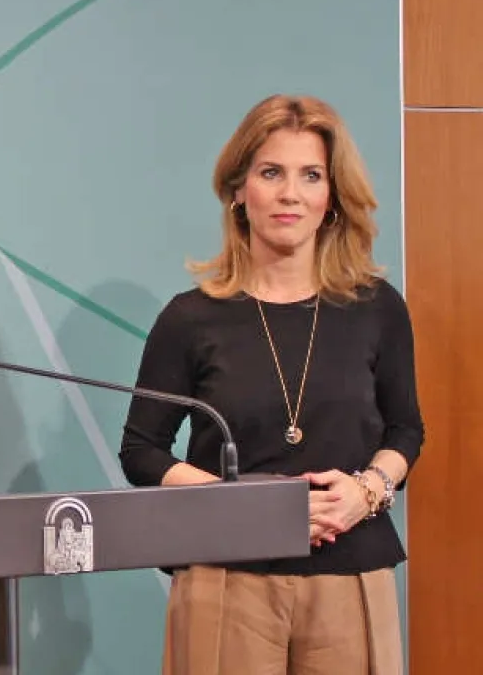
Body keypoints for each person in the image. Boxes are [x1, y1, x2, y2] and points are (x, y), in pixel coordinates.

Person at [118, 94, 424, 675]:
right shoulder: (190, 318)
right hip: (226, 576)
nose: (290, 194)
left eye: (311, 176)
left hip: (351, 572)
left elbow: (405, 429)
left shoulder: (377, 308)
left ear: (331, 197)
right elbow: (142, 450)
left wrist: (368, 491)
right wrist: (240, 504)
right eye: (270, 173)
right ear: (238, 190)